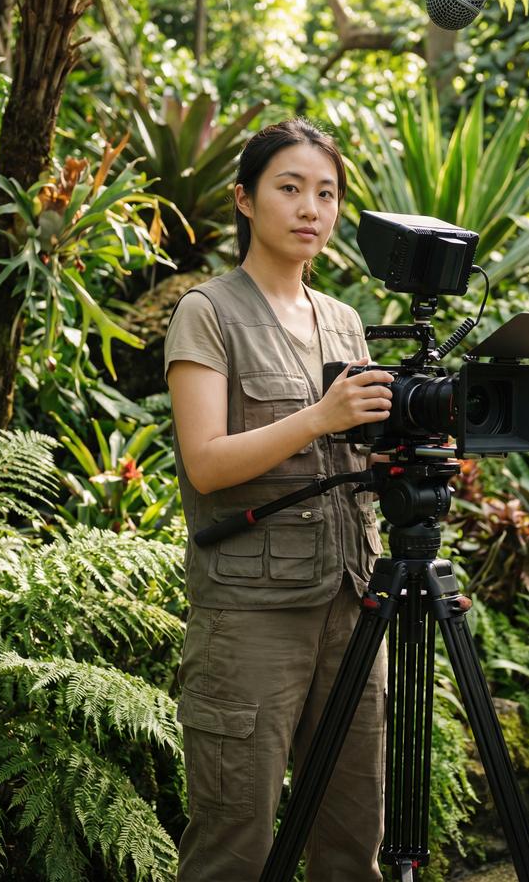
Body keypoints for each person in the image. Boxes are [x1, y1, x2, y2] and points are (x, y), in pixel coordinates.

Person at [165, 118, 395, 881]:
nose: (311, 209)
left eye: (326, 194)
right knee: (234, 842)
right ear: (244, 198)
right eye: (290, 188)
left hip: (351, 599)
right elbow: (205, 464)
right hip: (251, 616)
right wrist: (321, 416)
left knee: (351, 837)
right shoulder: (209, 312)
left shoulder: (344, 320)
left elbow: (353, 456)